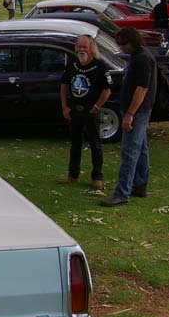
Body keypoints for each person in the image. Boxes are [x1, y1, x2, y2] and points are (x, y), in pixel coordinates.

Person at [102, 27, 157, 207]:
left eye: (124, 44)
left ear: (133, 41)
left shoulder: (143, 59)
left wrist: (130, 114)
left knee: (129, 152)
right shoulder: (136, 56)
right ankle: (139, 184)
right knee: (141, 149)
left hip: (137, 111)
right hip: (134, 110)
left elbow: (142, 89)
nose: (122, 47)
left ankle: (122, 193)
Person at [60, 36, 112, 191]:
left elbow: (107, 90)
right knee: (75, 144)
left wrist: (97, 106)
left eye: (85, 47)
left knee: (95, 144)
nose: (82, 50)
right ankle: (73, 175)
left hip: (91, 111)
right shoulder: (72, 64)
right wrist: (64, 106)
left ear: (91, 48)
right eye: (79, 47)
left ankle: (97, 177)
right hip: (75, 110)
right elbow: (64, 85)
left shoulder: (100, 66)